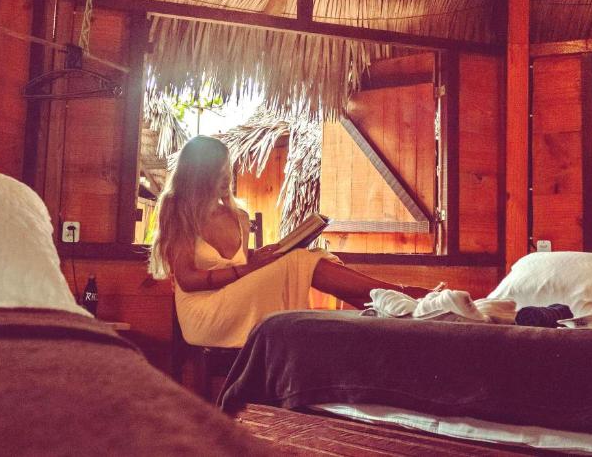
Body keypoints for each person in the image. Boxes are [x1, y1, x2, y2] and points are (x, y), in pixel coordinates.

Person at [149, 135, 432, 348]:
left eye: (227, 168)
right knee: (297, 261)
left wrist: (257, 257)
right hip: (204, 316)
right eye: (218, 170)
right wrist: (245, 270)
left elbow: (236, 264)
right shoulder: (177, 207)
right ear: (200, 173)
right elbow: (187, 279)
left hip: (237, 301)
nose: (227, 176)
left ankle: (392, 305)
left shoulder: (238, 216)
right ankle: (403, 294)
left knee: (300, 257)